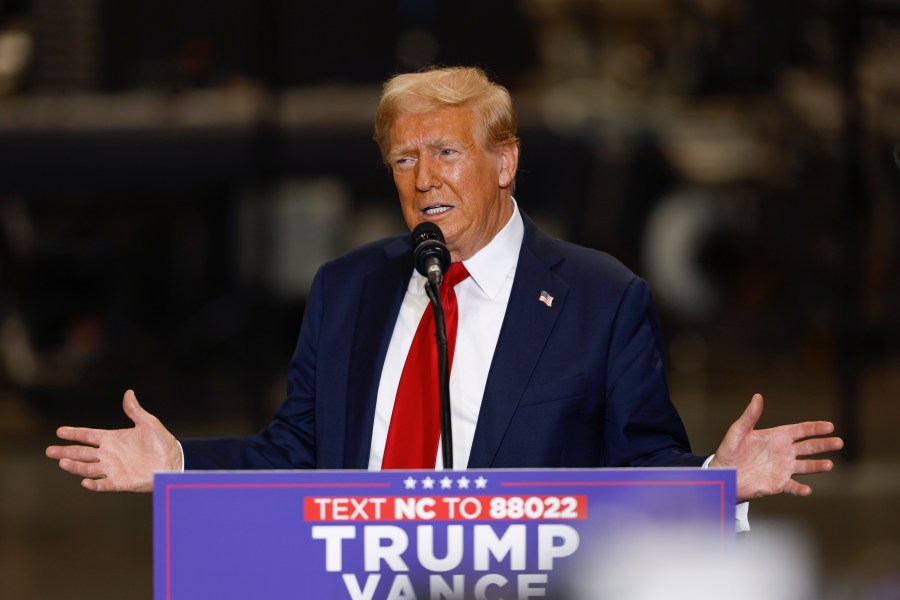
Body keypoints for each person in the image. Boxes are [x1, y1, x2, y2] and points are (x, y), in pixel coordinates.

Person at [46, 67, 842, 514]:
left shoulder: (603, 299)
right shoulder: (347, 288)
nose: (423, 179)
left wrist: (716, 479)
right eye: (403, 159)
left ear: (505, 162)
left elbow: (637, 467)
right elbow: (298, 454)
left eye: (446, 153)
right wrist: (180, 464)